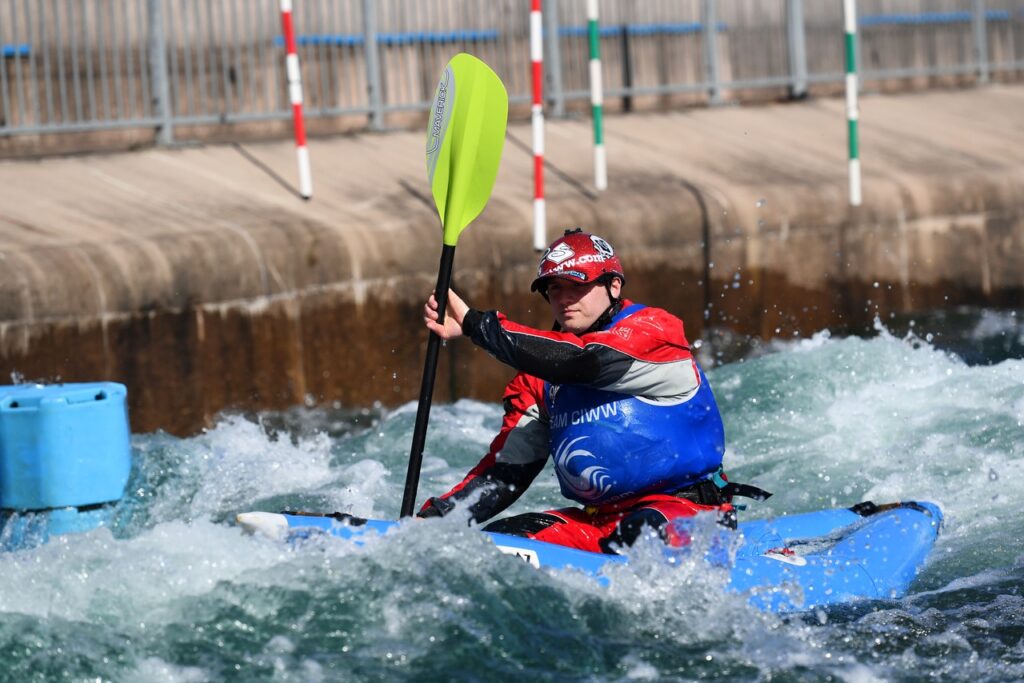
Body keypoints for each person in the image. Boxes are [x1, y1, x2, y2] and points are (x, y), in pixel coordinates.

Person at [417, 229, 767, 554]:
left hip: (685, 511)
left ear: (614, 286)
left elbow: (586, 363)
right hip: (597, 521)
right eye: (554, 288)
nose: (564, 299)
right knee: (501, 542)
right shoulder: (536, 379)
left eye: (576, 286)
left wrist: (477, 326)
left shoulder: (655, 332)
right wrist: (431, 524)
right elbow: (505, 472)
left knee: (641, 533)